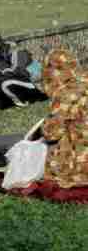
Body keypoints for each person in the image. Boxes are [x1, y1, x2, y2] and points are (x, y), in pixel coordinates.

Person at [42, 49, 88, 188]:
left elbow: (52, 134)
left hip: (82, 152)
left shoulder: (65, 94)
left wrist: (45, 126)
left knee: (60, 149)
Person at [0, 27, 46, 108]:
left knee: (5, 83)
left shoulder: (15, 50)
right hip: (20, 82)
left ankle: (24, 101)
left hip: (37, 83)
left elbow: (19, 72)